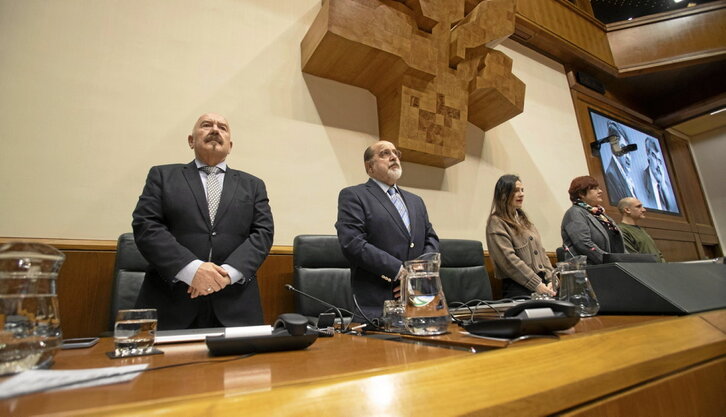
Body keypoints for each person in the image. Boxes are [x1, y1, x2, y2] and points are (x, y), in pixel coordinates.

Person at [132, 113, 274, 330]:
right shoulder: (162, 175)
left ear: (230, 145)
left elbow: (262, 233)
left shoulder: (253, 185)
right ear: (191, 140)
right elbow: (146, 226)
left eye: (222, 127)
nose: (215, 130)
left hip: (235, 305)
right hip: (171, 304)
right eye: (207, 125)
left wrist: (225, 275)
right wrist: (193, 270)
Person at [336, 140, 439, 318]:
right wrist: (401, 272)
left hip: (419, 300)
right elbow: (353, 243)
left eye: (395, 153)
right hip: (377, 303)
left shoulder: (416, 201)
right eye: (384, 153)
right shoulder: (354, 195)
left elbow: (431, 239)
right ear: (369, 167)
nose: (393, 157)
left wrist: (417, 275)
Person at [486, 175, 556, 298]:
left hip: (542, 284)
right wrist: (536, 284)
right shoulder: (496, 222)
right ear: (503, 194)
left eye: (522, 190)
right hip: (518, 287)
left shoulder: (524, 220)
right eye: (515, 191)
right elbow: (508, 260)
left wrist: (551, 280)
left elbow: (542, 253)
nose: (521, 194)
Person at [561, 175, 625, 265]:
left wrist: (625, 261)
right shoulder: (575, 212)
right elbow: (583, 243)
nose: (600, 191)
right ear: (581, 193)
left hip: (613, 267)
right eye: (594, 189)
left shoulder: (601, 215)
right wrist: (608, 260)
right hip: (589, 270)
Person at [617, 197, 665, 262]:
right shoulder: (622, 230)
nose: (644, 210)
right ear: (627, 210)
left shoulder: (641, 230)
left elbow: (657, 253)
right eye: (638, 207)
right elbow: (633, 258)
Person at [603, 122, 638, 205]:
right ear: (614, 149)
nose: (628, 156)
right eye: (624, 149)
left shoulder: (627, 177)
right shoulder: (610, 177)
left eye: (628, 150)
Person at [641, 137, 678, 212]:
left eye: (660, 160)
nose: (658, 165)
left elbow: (672, 210)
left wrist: (663, 186)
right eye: (655, 157)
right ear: (648, 158)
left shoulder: (667, 186)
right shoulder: (641, 180)